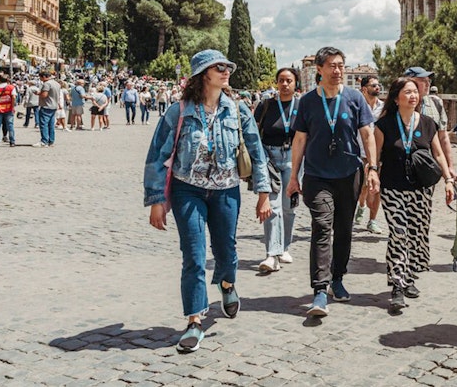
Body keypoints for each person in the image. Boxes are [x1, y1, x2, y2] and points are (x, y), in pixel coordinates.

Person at [142, 49, 273, 353]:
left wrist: (263, 192)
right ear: (203, 74)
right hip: (188, 189)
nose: (226, 71)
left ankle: (227, 284)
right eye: (219, 67)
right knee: (194, 255)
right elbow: (157, 156)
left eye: (228, 66)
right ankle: (194, 321)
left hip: (226, 189)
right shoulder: (179, 111)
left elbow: (256, 151)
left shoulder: (238, 110)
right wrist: (156, 200)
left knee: (226, 249)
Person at [286, 47, 378, 317]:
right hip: (316, 176)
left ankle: (338, 278)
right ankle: (319, 289)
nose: (338, 71)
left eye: (341, 65)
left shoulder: (354, 98)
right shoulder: (307, 102)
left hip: (349, 174)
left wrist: (371, 168)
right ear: (319, 69)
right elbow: (300, 139)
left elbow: (367, 134)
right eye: (332, 66)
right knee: (322, 227)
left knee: (344, 229)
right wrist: (294, 176)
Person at [373, 77, 454, 311]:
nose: (413, 96)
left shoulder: (428, 123)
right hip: (393, 187)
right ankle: (397, 285)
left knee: (416, 233)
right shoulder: (385, 125)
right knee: (398, 233)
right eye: (407, 92)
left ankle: (408, 276)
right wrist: (372, 177)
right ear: (396, 97)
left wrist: (448, 179)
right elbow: (376, 156)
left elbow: (438, 154)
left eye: (415, 92)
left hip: (421, 189)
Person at [253, 67, 302, 273]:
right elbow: (254, 132)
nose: (284, 84)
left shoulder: (302, 106)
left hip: (294, 157)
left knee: (288, 206)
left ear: (295, 84)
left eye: (289, 80)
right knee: (272, 205)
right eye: (281, 80)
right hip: (269, 157)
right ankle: (272, 255)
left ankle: (284, 247)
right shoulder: (266, 105)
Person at [403, 67, 451, 166]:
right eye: (423, 81)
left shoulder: (436, 103)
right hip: (401, 166)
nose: (428, 84)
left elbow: (443, 137)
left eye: (428, 81)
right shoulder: (398, 106)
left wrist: (449, 166)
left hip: (429, 168)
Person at [355, 75, 384, 234]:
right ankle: (361, 206)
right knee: (362, 187)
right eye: (374, 85)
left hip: (378, 154)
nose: (377, 88)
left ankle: (372, 220)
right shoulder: (356, 106)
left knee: (376, 188)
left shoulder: (384, 108)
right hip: (359, 152)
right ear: (364, 89)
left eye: (378, 85)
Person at [36, 70, 62, 147]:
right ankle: (51, 140)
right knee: (51, 125)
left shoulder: (47, 84)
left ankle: (44, 141)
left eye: (40, 77)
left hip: (46, 105)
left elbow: (44, 95)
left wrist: (38, 93)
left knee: (44, 124)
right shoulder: (56, 83)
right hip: (54, 106)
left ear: (44, 77)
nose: (40, 79)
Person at [0, 73, 16, 147]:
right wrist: (13, 106)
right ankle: (12, 142)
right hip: (9, 108)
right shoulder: (11, 87)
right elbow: (14, 97)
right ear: (7, 80)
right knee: (10, 125)